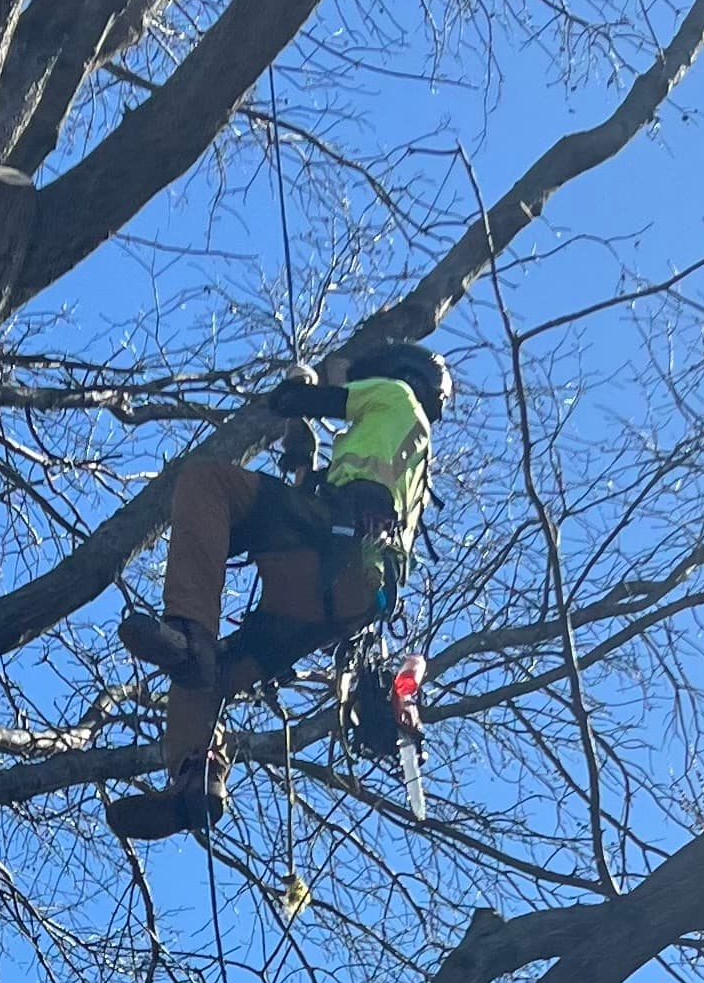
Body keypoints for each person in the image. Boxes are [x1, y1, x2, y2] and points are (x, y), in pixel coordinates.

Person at [109, 339, 452, 839]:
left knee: (207, 484)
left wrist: (300, 391)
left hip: (330, 543)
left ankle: (190, 628)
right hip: (343, 599)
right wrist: (302, 448)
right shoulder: (408, 460)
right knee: (209, 678)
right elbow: (320, 490)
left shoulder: (397, 395)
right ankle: (194, 783)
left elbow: (305, 401)